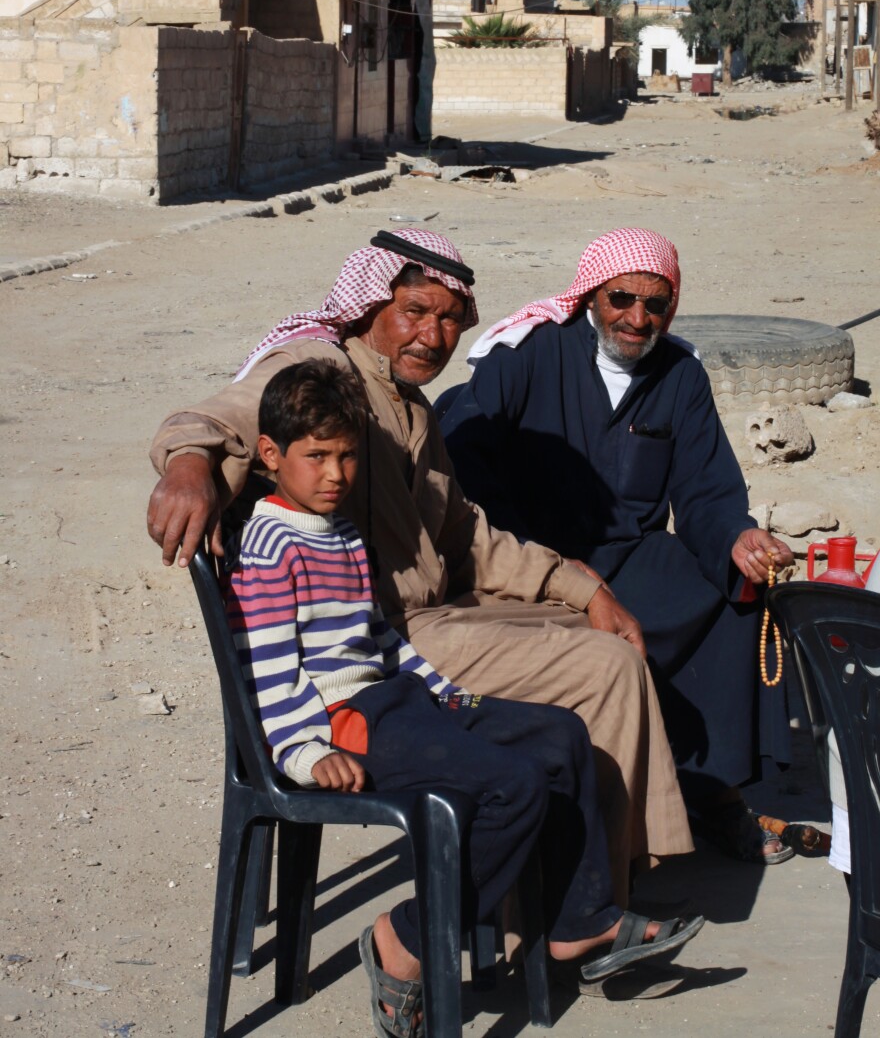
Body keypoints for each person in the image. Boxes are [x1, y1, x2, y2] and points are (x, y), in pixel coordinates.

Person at [147, 228, 694, 904]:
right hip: (384, 645)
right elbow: (224, 417)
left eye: (447, 319)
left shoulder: (414, 409)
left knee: (603, 631)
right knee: (604, 666)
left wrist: (582, 590)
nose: (432, 337)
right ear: (370, 306)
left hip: (435, 617)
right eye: (414, 312)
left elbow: (468, 535)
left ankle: (593, 880)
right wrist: (190, 463)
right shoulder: (325, 372)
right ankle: (581, 906)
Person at [225, 358, 704, 1036]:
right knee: (512, 786)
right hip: (342, 723)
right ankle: (406, 937)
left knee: (563, 739)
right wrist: (303, 752)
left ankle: (579, 921)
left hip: (397, 699)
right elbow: (269, 667)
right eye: (317, 457)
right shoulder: (272, 543)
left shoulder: (344, 532)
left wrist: (444, 692)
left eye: (347, 457)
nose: (336, 475)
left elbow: (378, 642)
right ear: (272, 456)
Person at [438, 227, 797, 865]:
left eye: (655, 305)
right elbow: (467, 461)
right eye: (622, 300)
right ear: (591, 297)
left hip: (628, 556)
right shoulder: (529, 354)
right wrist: (534, 557)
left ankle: (709, 787)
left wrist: (739, 537)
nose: (637, 319)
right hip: (530, 565)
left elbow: (707, 493)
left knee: (737, 596)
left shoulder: (680, 376)